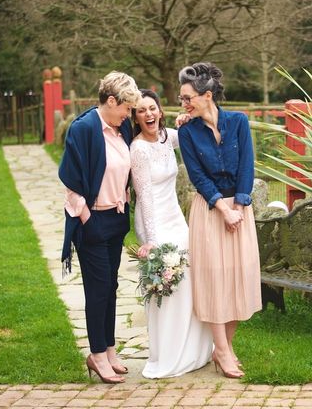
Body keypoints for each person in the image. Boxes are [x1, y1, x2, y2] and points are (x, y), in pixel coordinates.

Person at [177, 62, 262, 379]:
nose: (184, 105)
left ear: (207, 95)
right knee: (214, 280)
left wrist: (239, 205)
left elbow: (247, 166)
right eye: (183, 99)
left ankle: (223, 346)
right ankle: (223, 351)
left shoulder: (239, 122)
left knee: (241, 276)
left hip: (240, 210)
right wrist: (222, 209)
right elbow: (197, 176)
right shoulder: (187, 132)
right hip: (210, 211)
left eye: (188, 98)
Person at [58, 71, 141, 384]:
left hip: (116, 219)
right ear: (110, 101)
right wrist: (86, 219)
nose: (128, 114)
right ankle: (95, 354)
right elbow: (71, 181)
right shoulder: (84, 129)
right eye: (126, 108)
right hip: (91, 220)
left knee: (111, 287)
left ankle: (108, 349)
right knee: (97, 289)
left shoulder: (123, 131)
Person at [130, 89, 213, 378]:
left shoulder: (168, 137)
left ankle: (194, 350)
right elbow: (145, 197)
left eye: (152, 108)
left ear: (160, 111)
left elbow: (190, 133)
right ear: (136, 117)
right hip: (153, 220)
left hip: (176, 216)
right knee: (167, 281)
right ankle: (167, 353)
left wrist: (186, 117)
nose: (149, 114)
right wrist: (151, 240)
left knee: (189, 279)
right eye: (141, 110)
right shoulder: (138, 149)